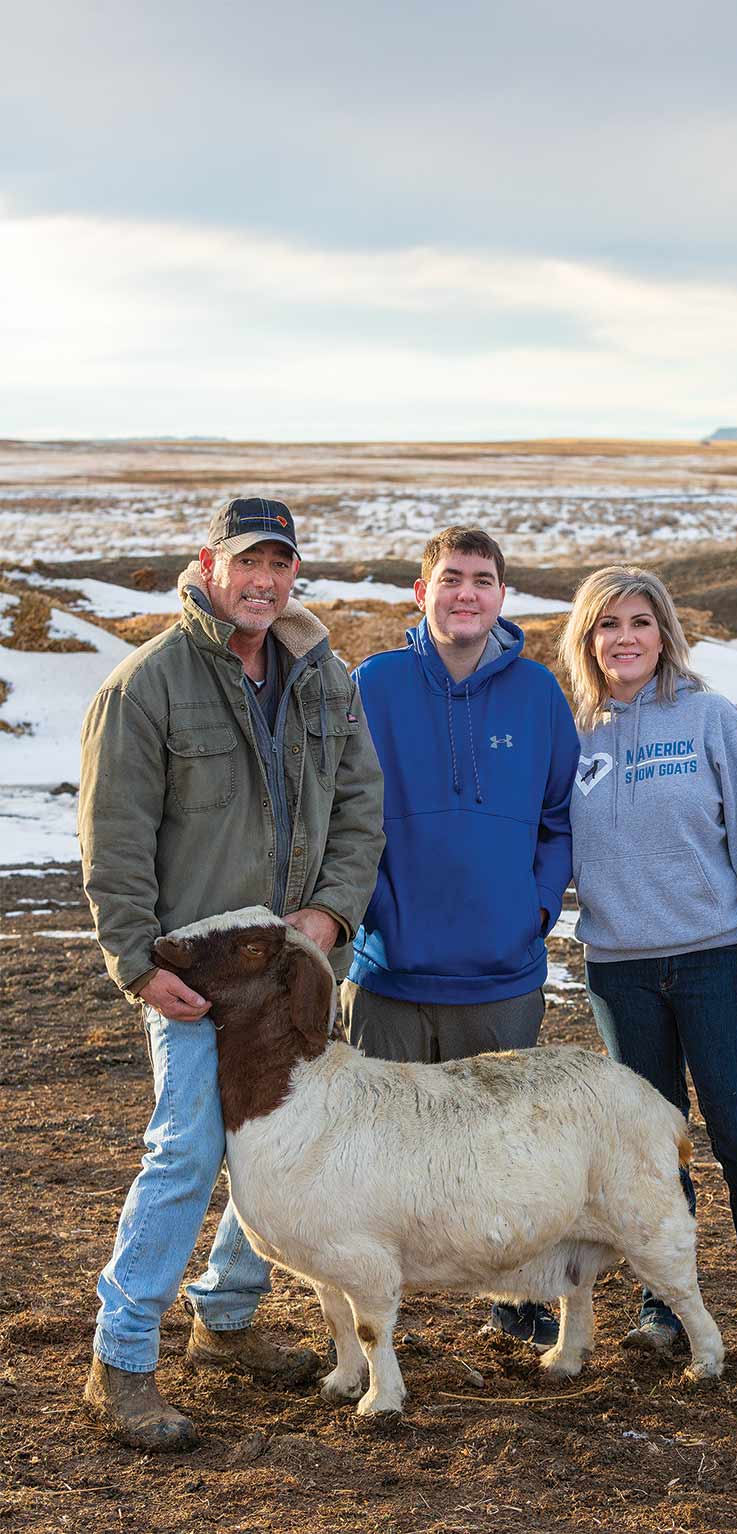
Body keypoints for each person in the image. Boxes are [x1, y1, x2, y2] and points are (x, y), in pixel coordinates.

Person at [78, 496, 385, 1450]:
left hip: (296, 971)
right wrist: (135, 962)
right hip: (198, 975)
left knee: (282, 1144)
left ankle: (227, 1320)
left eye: (279, 564)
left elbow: (360, 806)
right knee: (187, 1150)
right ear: (207, 564)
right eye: (245, 562)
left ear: (294, 574)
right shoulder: (149, 686)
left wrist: (331, 913)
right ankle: (122, 1358)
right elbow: (114, 839)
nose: (262, 581)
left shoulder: (322, 678)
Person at [557, 565, 737, 1372]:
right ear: (586, 639)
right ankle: (664, 1304)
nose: (623, 639)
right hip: (620, 973)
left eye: (639, 622)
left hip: (715, 962)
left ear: (663, 633)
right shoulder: (575, 733)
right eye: (606, 625)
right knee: (651, 1154)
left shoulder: (708, 719)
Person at [340, 525, 579, 1348]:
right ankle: (372, 1318)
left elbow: (558, 821)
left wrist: (535, 911)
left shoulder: (540, 695)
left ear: (502, 595)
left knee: (506, 1151)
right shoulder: (373, 684)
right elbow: (345, 812)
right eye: (450, 578)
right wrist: (375, 913)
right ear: (422, 592)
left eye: (482, 578)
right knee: (373, 1154)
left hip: (502, 974)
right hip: (390, 973)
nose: (466, 592)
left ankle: (519, 1298)